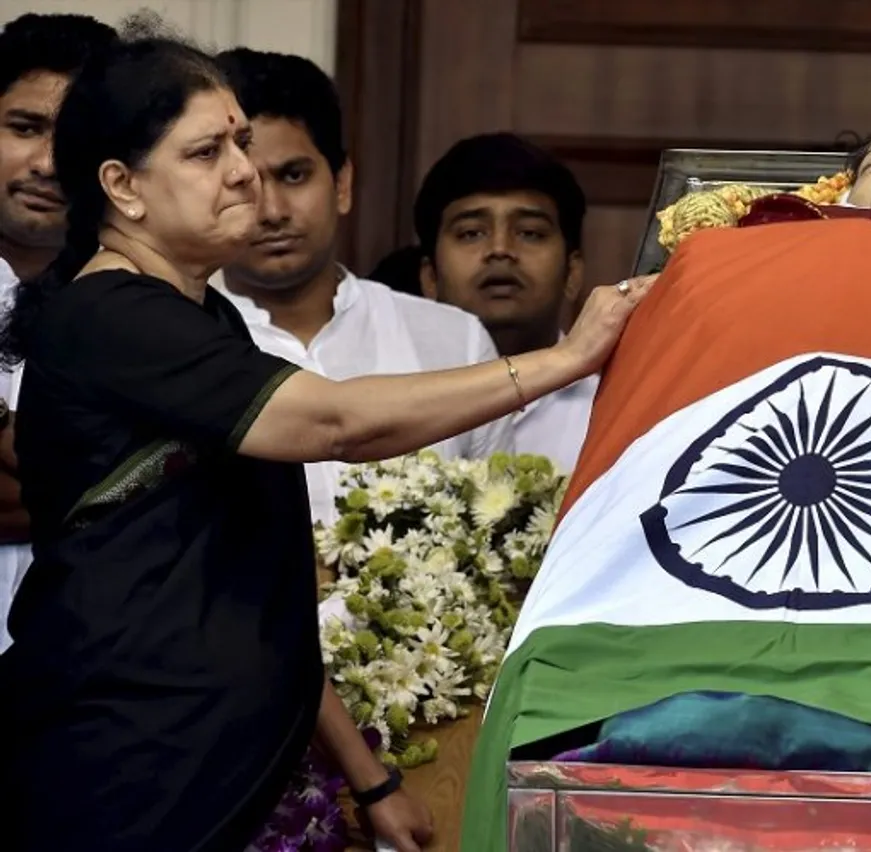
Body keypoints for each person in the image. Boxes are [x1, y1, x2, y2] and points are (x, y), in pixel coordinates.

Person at [0, 31, 652, 852]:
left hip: (204, 769)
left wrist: (367, 775)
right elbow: (335, 421)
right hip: (124, 768)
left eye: (240, 139)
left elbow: (250, 584)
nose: (245, 171)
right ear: (123, 187)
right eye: (208, 151)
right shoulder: (113, 317)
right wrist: (563, 360)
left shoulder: (204, 315)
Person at [214, 48, 512, 527]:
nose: (271, 211)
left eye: (294, 175)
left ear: (342, 183)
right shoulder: (180, 346)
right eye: (245, 182)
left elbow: (496, 538)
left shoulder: (455, 342)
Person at [0, 12, 118, 653]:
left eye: (71, 136)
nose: (47, 162)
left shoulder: (152, 308)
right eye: (23, 128)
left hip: (86, 692)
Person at [415, 133, 596, 472]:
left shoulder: (612, 409)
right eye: (471, 233)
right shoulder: (391, 401)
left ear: (572, 273)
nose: (500, 249)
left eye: (529, 233)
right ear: (430, 278)